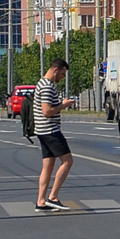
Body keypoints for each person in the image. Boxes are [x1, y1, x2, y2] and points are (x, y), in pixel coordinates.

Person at [33, 58, 73, 212]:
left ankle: (41, 202)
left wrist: (61, 104)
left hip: (42, 131)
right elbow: (47, 111)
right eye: (62, 74)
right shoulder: (47, 86)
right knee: (68, 161)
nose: (62, 78)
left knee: (48, 166)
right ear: (55, 70)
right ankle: (53, 197)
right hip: (50, 130)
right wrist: (63, 105)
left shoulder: (42, 84)